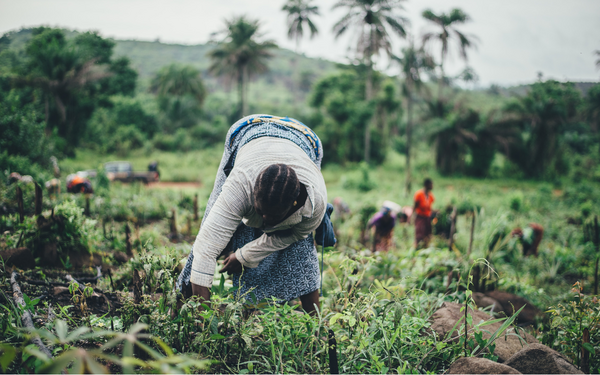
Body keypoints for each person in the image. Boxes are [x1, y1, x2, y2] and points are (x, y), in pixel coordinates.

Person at [176, 114, 329, 315]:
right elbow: (207, 248)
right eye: (260, 213)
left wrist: (244, 256)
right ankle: (183, 302)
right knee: (210, 228)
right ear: (252, 194)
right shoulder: (240, 184)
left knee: (301, 248)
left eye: (272, 218)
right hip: (248, 131)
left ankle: (314, 324)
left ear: (294, 205)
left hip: (306, 139)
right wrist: (204, 319)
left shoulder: (314, 203)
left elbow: (293, 235)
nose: (264, 222)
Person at [413, 178, 435, 247]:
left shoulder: (431, 196)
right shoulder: (419, 194)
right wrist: (412, 216)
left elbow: (429, 208)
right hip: (420, 217)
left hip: (427, 217)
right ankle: (417, 247)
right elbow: (415, 206)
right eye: (431, 184)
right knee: (419, 234)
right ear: (427, 185)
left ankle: (425, 247)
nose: (432, 186)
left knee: (427, 234)